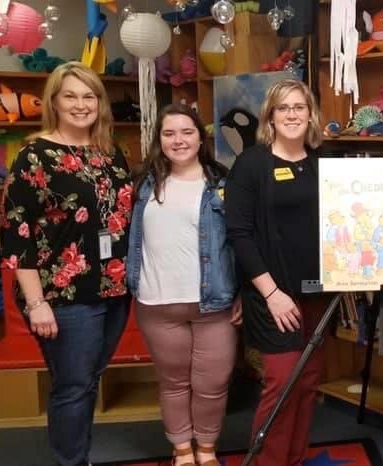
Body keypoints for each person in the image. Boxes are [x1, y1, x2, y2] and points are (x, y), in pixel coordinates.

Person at [0, 61, 132, 466]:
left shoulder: (111, 153)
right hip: (64, 295)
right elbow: (15, 230)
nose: (81, 104)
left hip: (115, 289)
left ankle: (80, 458)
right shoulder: (35, 155)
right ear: (54, 101)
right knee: (73, 386)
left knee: (87, 382)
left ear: (100, 102)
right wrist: (36, 302)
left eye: (89, 95)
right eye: (70, 95)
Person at [125, 104, 242, 466]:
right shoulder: (142, 185)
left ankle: (206, 450)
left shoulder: (222, 183)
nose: (179, 140)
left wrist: (242, 292)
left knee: (214, 383)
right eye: (169, 133)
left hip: (215, 303)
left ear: (200, 137)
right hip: (157, 304)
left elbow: (240, 241)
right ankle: (182, 451)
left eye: (187, 132)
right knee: (173, 383)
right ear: (159, 140)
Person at [224, 79, 328, 466]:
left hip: (318, 293)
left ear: (311, 113)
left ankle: (294, 459)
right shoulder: (251, 163)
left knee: (307, 382)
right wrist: (271, 293)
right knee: (282, 382)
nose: (292, 115)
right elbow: (239, 233)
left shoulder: (323, 161)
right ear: (270, 115)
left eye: (299, 107)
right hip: (271, 295)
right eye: (283, 108)